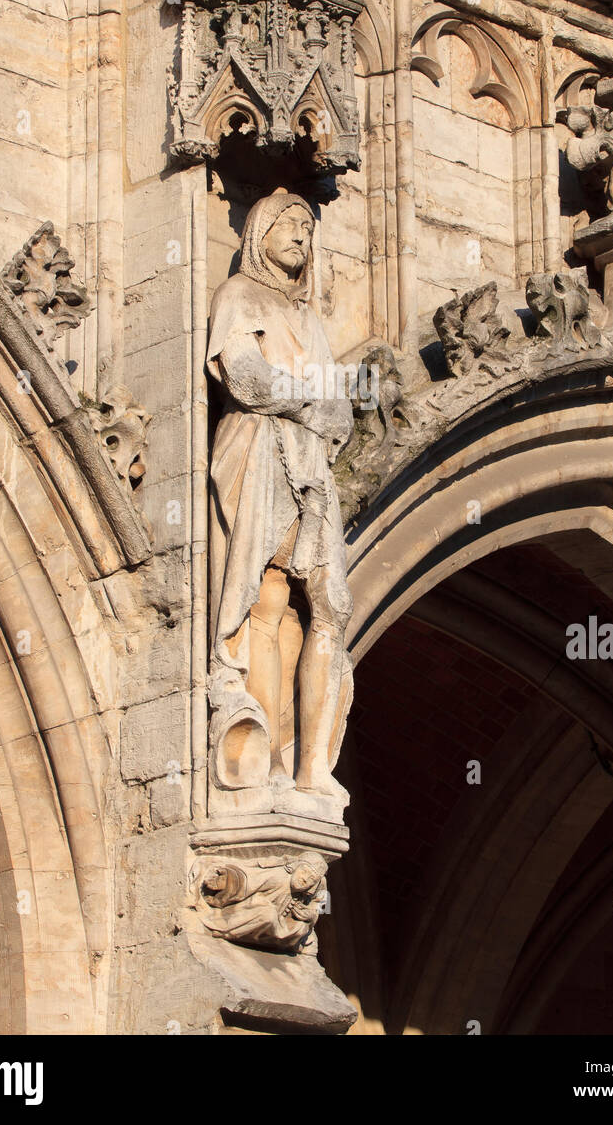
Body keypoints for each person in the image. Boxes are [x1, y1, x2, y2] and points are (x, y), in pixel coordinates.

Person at [207, 189, 354, 800]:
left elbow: (340, 405)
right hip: (261, 449)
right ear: (259, 233)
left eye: (306, 228)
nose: (300, 236)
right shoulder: (239, 295)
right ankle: (263, 755)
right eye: (287, 226)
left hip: (311, 464)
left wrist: (314, 403)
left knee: (328, 607)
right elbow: (244, 376)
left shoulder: (308, 318)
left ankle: (311, 764)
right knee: (268, 596)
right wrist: (306, 400)